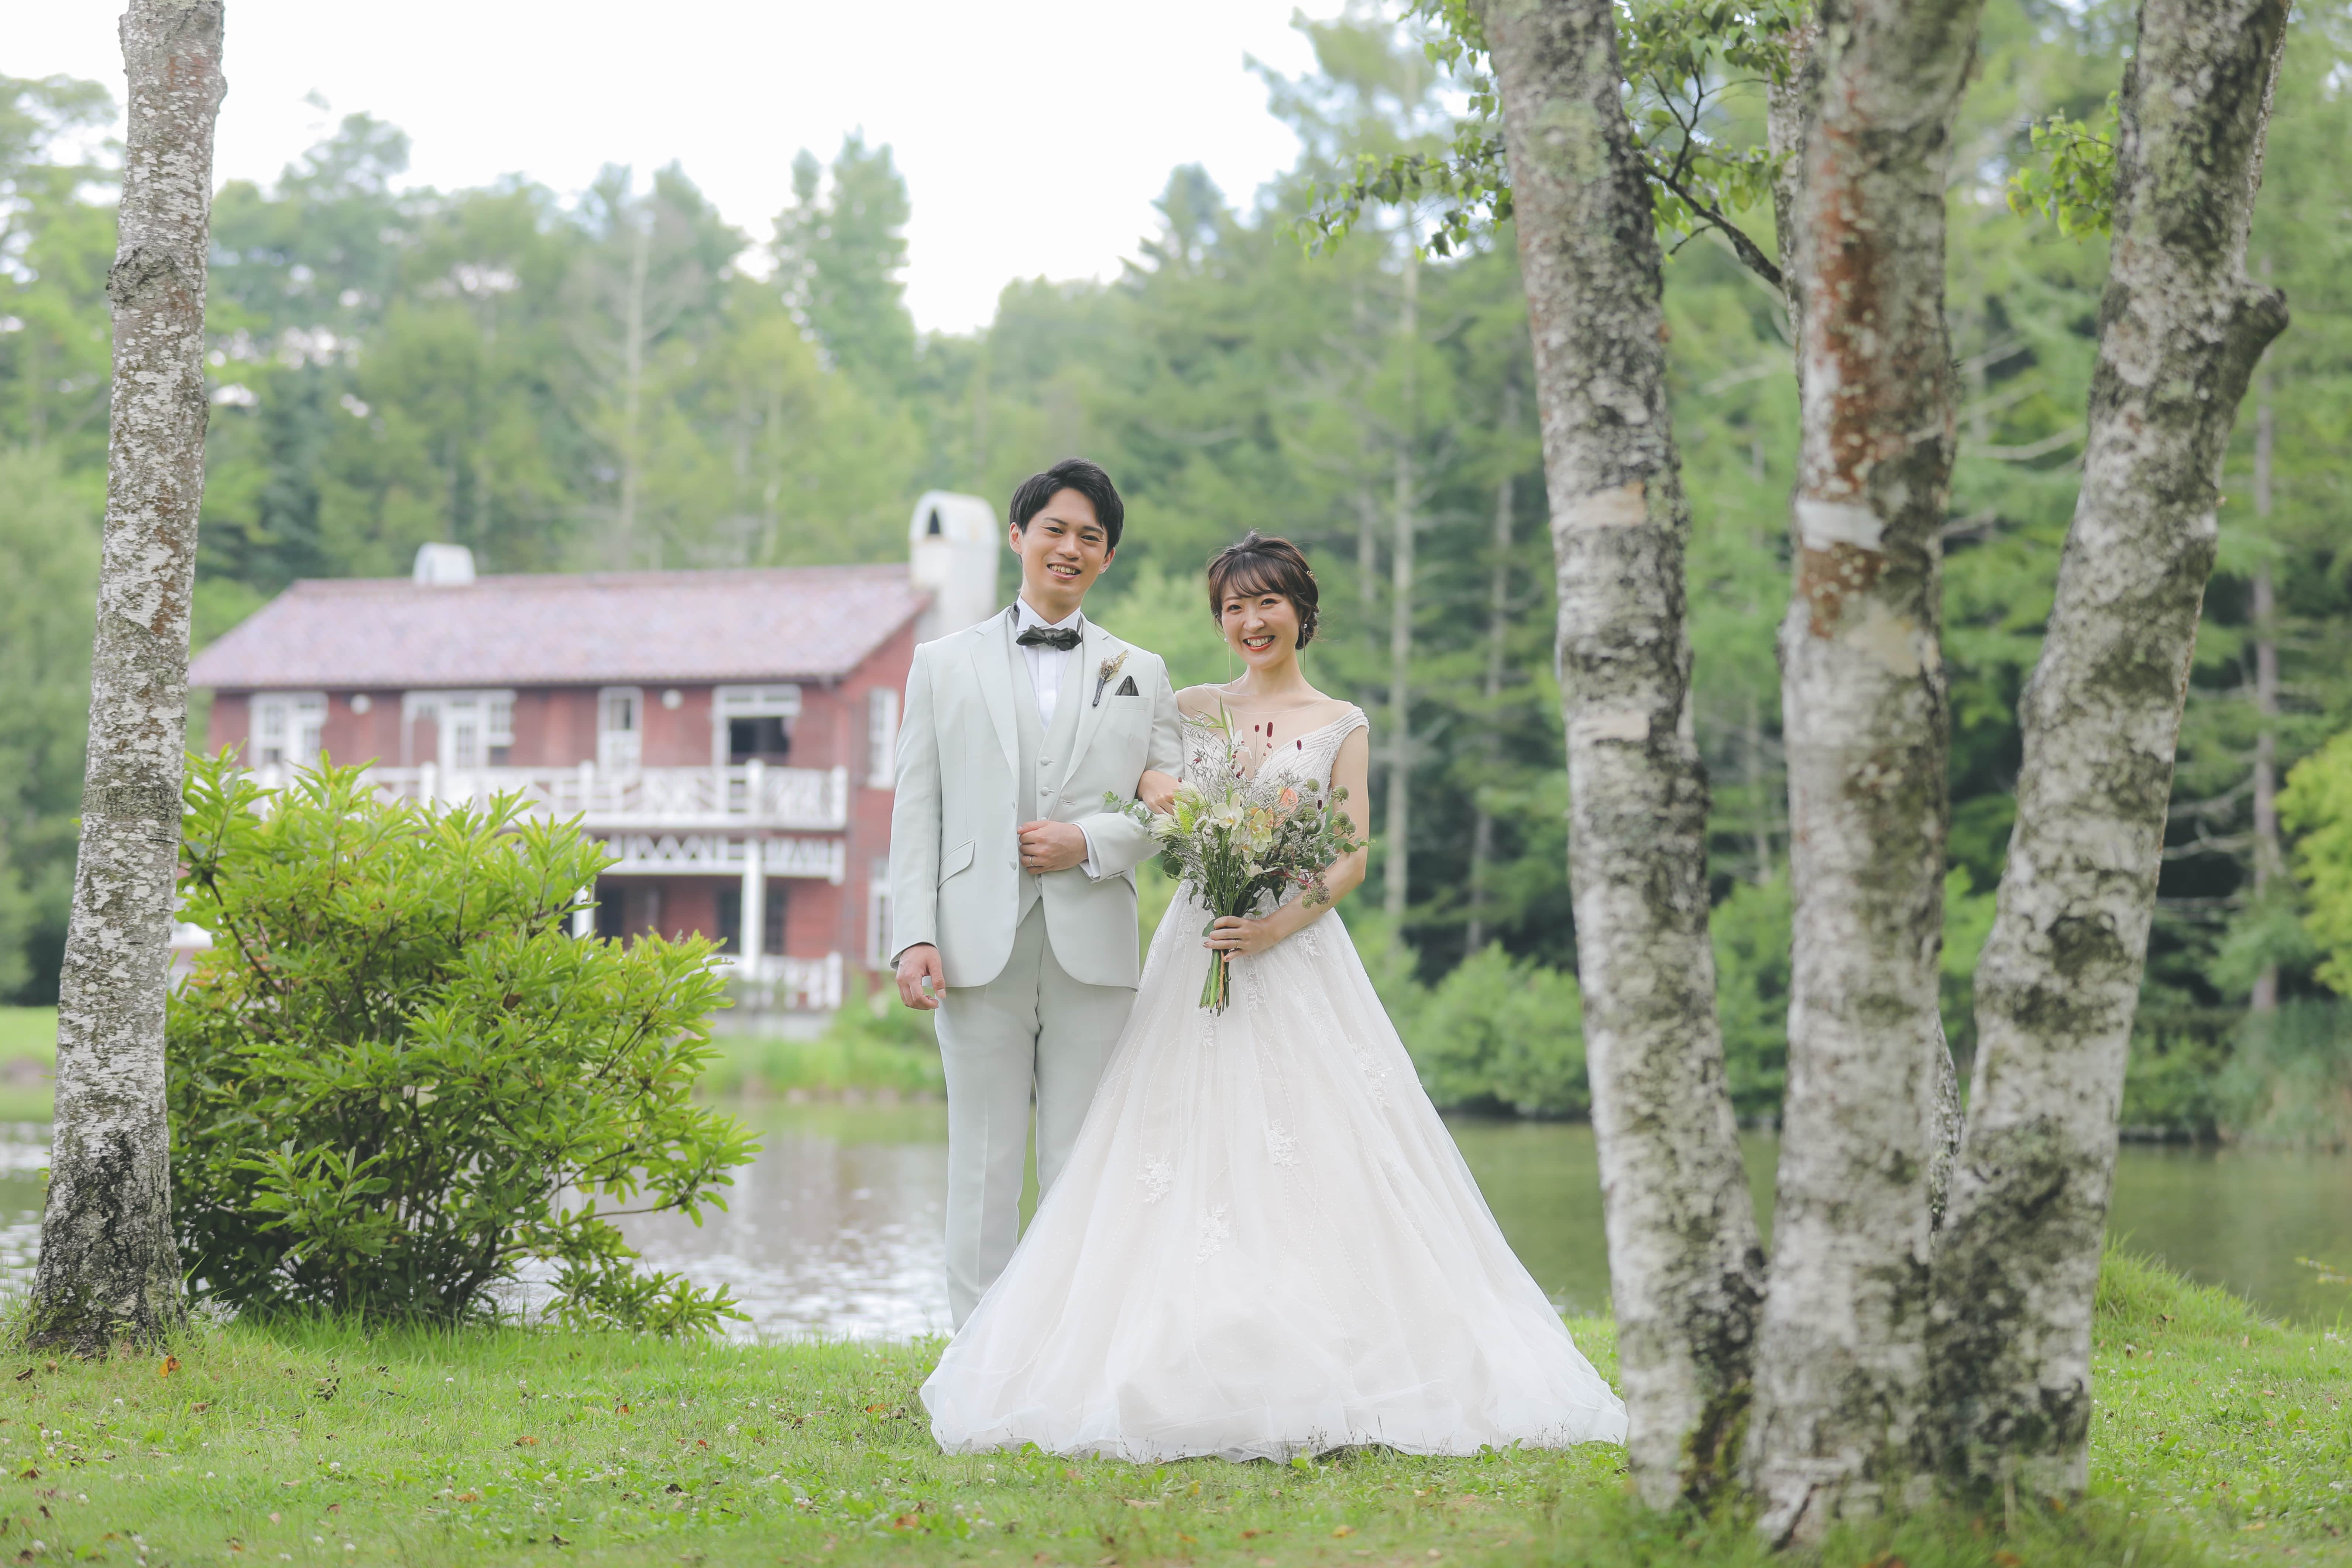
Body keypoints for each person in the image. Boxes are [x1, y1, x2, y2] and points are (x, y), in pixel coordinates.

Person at [920, 531, 1628, 1461]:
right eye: (1233, 608)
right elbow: (1137, 792)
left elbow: (1351, 857)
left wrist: (1272, 928)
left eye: (1267, 604)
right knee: (1166, 1145)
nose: (1251, 623)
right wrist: (1162, 813)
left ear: (1302, 611)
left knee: (1315, 1146)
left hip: (1292, 953)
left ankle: (1331, 1343)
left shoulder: (1340, 723)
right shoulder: (1186, 706)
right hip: (1195, 946)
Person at [889, 457, 1184, 1329]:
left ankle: (1067, 1352)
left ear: (1109, 557)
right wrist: (913, 935)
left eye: (1090, 537)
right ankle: (976, 1357)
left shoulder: (1142, 671)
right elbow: (917, 810)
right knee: (980, 1161)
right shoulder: (941, 664)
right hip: (973, 943)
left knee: (1080, 1164)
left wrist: (1088, 841)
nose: (1070, 548)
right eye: (1055, 529)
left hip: (1096, 947)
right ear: (1019, 538)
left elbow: (1174, 813)